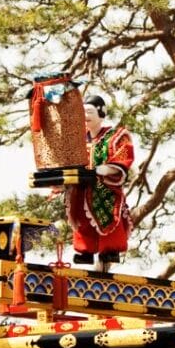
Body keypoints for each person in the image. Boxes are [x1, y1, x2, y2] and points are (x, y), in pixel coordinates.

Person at [68, 94, 134, 266]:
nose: (86, 116)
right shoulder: (78, 139)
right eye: (82, 112)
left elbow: (124, 156)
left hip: (104, 187)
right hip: (82, 186)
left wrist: (106, 169)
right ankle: (85, 250)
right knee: (81, 218)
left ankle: (110, 250)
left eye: (89, 112)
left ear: (101, 113)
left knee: (109, 216)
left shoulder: (115, 137)